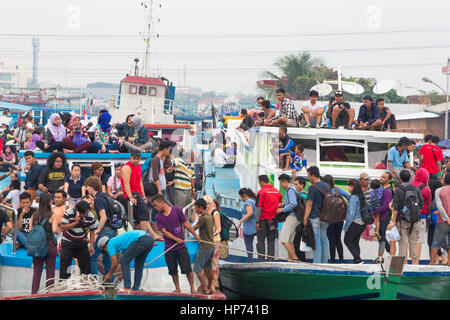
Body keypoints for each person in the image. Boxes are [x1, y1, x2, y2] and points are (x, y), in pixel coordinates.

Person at [153, 194, 200, 293]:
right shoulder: (158, 217)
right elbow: (164, 232)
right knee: (172, 270)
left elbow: (186, 224)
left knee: (187, 268)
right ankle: (177, 288)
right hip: (169, 247)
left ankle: (192, 288)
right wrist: (176, 239)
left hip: (181, 246)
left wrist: (195, 235)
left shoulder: (177, 210)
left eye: (155, 205)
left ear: (161, 202)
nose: (155, 208)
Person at [85, 176, 117, 276]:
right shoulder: (104, 196)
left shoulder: (98, 199)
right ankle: (109, 286)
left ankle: (94, 283)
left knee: (92, 256)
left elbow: (103, 217)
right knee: (108, 260)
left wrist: (97, 232)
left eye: (87, 186)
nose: (86, 189)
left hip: (104, 231)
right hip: (112, 230)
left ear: (91, 187)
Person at [59, 200, 97, 279]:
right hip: (68, 242)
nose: (87, 214)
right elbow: (62, 228)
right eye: (85, 213)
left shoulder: (90, 215)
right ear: (79, 212)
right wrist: (75, 222)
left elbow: (93, 230)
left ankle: (85, 285)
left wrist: (92, 246)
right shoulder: (69, 213)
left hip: (82, 243)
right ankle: (63, 286)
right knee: (65, 268)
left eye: (87, 211)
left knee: (86, 269)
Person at [392, 170, 424, 264]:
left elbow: (396, 207)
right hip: (415, 219)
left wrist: (394, 221)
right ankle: (414, 263)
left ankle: (403, 263)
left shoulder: (398, 190)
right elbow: (421, 203)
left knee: (402, 242)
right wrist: (415, 212)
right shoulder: (415, 189)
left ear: (400, 178)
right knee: (413, 242)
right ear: (410, 178)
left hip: (402, 219)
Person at [30, 192, 59, 294]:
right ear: (49, 202)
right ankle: (49, 294)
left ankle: (34, 294)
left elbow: (30, 230)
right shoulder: (52, 215)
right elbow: (54, 230)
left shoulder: (34, 215)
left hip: (37, 245)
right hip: (49, 244)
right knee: (50, 271)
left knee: (37, 271)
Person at [121, 150, 153, 233]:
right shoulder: (126, 167)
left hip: (138, 194)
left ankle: (149, 234)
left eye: (137, 158)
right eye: (134, 158)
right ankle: (147, 235)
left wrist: (143, 195)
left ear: (140, 159)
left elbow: (140, 182)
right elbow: (126, 184)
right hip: (132, 194)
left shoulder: (138, 166)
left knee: (144, 216)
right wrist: (130, 197)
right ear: (130, 157)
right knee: (144, 214)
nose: (135, 160)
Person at [303, 166, 330, 263]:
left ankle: (317, 262)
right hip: (326, 217)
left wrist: (305, 218)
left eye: (309, 175)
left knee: (316, 239)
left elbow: (309, 204)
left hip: (315, 216)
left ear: (313, 175)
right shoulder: (327, 186)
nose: (308, 178)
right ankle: (325, 262)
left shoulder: (312, 188)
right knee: (324, 239)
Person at [322, 174, 350, 264]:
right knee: (338, 239)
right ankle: (341, 260)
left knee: (331, 240)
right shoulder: (338, 190)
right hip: (339, 218)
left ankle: (332, 260)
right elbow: (349, 197)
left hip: (329, 219)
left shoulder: (323, 191)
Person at [191, 198, 215, 294]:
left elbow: (193, 228)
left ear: (200, 207)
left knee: (197, 269)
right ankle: (209, 287)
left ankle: (205, 288)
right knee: (208, 269)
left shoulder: (203, 218)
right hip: (211, 247)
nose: (196, 210)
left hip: (204, 247)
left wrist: (186, 227)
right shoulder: (209, 216)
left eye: (196, 208)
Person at [256, 175, 282, 262]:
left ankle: (261, 260)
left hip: (263, 220)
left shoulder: (261, 192)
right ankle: (271, 260)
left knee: (261, 240)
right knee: (271, 241)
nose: (259, 184)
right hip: (273, 221)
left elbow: (258, 208)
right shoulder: (277, 192)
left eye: (259, 182)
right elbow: (279, 205)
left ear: (262, 182)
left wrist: (257, 221)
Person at [277, 174, 300, 262]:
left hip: (292, 216)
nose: (281, 185)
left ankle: (295, 258)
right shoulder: (294, 188)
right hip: (296, 217)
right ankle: (290, 260)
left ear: (285, 181)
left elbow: (294, 204)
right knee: (289, 240)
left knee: (283, 240)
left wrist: (283, 209)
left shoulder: (290, 190)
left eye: (281, 183)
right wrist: (285, 204)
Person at [371, 172, 394, 263]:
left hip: (384, 216)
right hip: (380, 216)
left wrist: (373, 212)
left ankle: (382, 256)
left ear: (389, 180)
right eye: (381, 176)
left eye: (384, 177)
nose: (381, 178)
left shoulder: (388, 191)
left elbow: (385, 206)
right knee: (381, 236)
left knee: (381, 236)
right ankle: (389, 254)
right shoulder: (381, 189)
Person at [410, 168, 431, 264]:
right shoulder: (426, 189)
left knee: (409, 239)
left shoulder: (410, 186)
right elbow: (429, 202)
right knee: (419, 239)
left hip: (408, 216)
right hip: (421, 216)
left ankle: (406, 261)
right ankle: (416, 262)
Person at [343, 179, 366, 264]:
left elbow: (351, 214)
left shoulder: (353, 198)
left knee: (347, 241)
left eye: (349, 186)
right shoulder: (361, 196)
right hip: (362, 223)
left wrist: (346, 226)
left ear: (352, 187)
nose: (348, 188)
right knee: (355, 241)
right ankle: (356, 260)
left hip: (355, 222)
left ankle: (357, 259)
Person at [430, 173, 450, 266]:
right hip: (446, 219)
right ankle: (449, 262)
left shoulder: (438, 190)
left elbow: (439, 206)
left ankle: (431, 263)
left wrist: (446, 218)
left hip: (442, 220)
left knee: (436, 242)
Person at [238, 188, 257, 263]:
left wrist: (240, 221)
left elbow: (250, 213)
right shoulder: (253, 200)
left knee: (248, 245)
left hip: (249, 226)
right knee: (250, 244)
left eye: (241, 196)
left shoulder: (248, 202)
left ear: (244, 195)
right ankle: (250, 260)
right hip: (252, 225)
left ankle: (250, 261)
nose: (240, 198)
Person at [292, 177, 308, 261]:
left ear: (302, 185)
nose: (294, 186)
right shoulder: (301, 195)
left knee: (297, 242)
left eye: (296, 184)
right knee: (298, 242)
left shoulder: (302, 196)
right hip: (301, 222)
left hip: (300, 222)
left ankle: (300, 260)